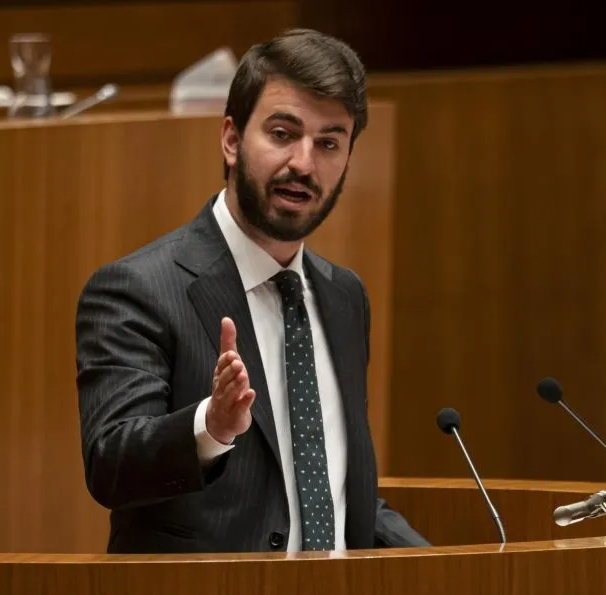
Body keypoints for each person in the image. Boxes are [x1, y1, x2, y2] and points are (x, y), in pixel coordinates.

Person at [75, 28, 429, 554]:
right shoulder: (138, 288)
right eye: (283, 133)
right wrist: (210, 427)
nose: (304, 164)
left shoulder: (343, 295)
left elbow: (334, 487)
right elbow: (111, 465)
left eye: (329, 143)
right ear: (232, 140)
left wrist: (448, 568)